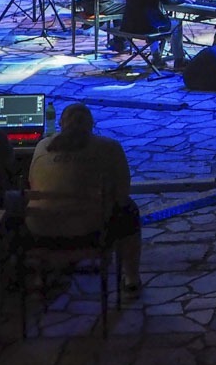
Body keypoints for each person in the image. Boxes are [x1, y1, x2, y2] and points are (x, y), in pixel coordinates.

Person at [26, 103, 142, 296]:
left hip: (41, 229)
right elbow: (123, 191)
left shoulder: (41, 147)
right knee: (129, 209)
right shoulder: (109, 147)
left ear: (61, 123)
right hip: (89, 231)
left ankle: (39, 273)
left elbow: (32, 184)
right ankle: (131, 277)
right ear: (91, 124)